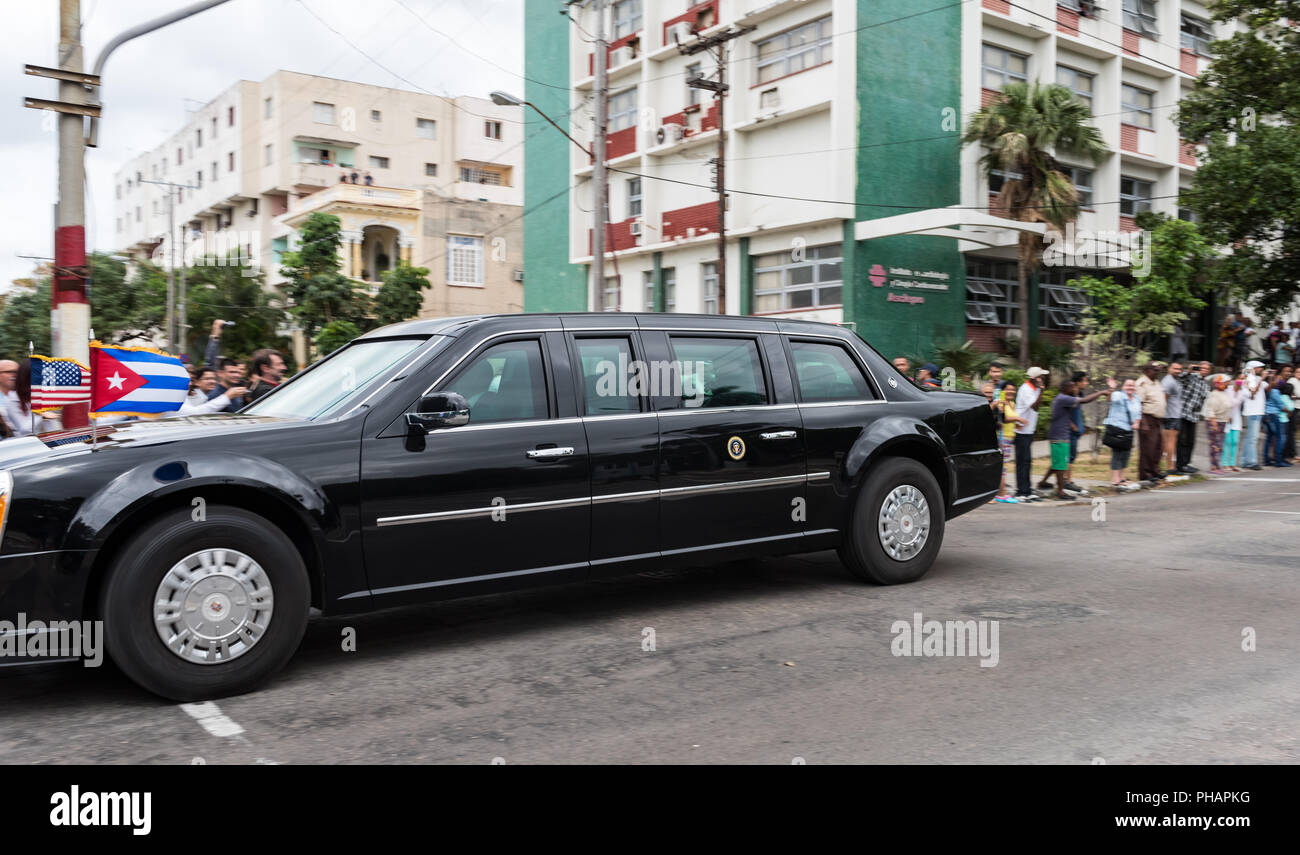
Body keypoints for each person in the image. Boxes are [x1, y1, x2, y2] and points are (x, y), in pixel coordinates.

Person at [1043, 378, 1110, 498]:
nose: (1075, 389)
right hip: (1059, 437)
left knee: (1057, 463)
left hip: (1060, 435)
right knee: (1060, 466)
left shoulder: (1062, 398)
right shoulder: (1063, 398)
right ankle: (1060, 492)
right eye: (1072, 387)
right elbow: (1084, 400)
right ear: (1065, 389)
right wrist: (1101, 392)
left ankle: (1043, 482)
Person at [1013, 367, 1047, 501]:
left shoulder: (1035, 388)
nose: (1043, 379)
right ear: (1034, 378)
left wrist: (1040, 390)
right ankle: (1021, 492)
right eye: (1041, 376)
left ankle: (1027, 490)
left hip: (1028, 430)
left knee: (1027, 461)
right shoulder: (1026, 389)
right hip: (1021, 430)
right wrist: (1042, 390)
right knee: (1022, 461)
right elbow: (1035, 407)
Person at [4, 359, 61, 437]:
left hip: (52, 440)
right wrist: (42, 415)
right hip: (29, 442)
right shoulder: (13, 399)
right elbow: (25, 430)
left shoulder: (42, 396)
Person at [989, 383, 1025, 503]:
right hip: (1001, 437)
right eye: (1008, 389)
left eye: (1013, 389)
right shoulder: (1001, 403)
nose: (1011, 391)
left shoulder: (1012, 404)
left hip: (1009, 438)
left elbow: (1010, 420)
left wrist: (1017, 425)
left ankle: (1000, 493)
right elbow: (1003, 418)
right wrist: (1018, 419)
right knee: (1002, 467)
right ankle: (1001, 494)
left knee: (1004, 466)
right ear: (1003, 391)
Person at [1104, 378, 1142, 486]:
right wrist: (1111, 388)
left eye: (1132, 385)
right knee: (1117, 453)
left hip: (1129, 430)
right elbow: (1110, 399)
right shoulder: (1119, 395)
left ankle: (1122, 477)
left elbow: (1138, 414)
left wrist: (1137, 423)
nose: (1130, 387)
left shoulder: (1136, 399)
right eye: (1128, 385)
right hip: (1117, 428)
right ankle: (1115, 479)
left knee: (1126, 454)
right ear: (1123, 387)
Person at [1174, 361, 1210, 474]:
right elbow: (1180, 379)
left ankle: (1186, 463)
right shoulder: (1191, 377)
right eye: (1202, 368)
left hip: (1194, 416)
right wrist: (1188, 371)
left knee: (1191, 441)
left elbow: (1202, 401)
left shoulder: (1206, 385)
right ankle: (1180, 465)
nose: (1204, 370)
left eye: (1206, 369)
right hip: (1183, 413)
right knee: (1182, 440)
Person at [1134, 361, 1167, 484]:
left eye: (1158, 370)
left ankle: (1155, 471)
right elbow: (1138, 404)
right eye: (1155, 370)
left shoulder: (1156, 382)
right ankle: (1145, 474)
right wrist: (1143, 423)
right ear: (1146, 371)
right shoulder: (1142, 383)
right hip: (1147, 419)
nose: (1157, 372)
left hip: (1157, 419)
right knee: (1148, 448)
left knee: (1158, 447)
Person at [178, 368, 248, 416]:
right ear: (197, 382)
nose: (212, 381)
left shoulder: (205, 396)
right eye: (207, 379)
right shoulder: (180, 398)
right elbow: (196, 413)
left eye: (214, 379)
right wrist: (227, 396)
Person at [1203, 375, 1233, 474]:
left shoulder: (1224, 393)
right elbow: (1210, 409)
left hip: (1222, 421)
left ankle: (1217, 465)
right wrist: (1213, 422)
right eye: (1226, 382)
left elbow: (1226, 406)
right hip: (1214, 422)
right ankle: (1214, 467)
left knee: (1220, 445)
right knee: (1214, 445)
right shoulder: (1214, 394)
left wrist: (1228, 417)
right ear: (1220, 383)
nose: (1228, 384)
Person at [1240, 360, 1268, 470]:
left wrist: (1271, 378)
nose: (1261, 369)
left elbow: (1269, 387)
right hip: (1252, 412)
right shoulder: (1247, 380)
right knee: (1252, 438)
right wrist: (1262, 379)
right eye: (1258, 367)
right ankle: (1251, 462)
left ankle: (1244, 461)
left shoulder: (1256, 379)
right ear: (1252, 368)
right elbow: (1252, 392)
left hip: (1258, 411)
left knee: (1249, 438)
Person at [1159, 361, 1184, 475]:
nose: (1178, 371)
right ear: (1169, 368)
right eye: (1175, 368)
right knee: (1171, 442)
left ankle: (1162, 465)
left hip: (1174, 415)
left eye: (1179, 369)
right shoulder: (1169, 381)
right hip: (1171, 415)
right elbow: (1163, 399)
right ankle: (1171, 467)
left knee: (1167, 442)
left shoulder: (1173, 380)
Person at [1262, 378, 1292, 467]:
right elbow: (1281, 406)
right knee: (1279, 438)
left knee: (1269, 438)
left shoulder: (1269, 390)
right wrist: (1289, 412)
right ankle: (1278, 461)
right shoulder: (1275, 392)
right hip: (1273, 416)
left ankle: (1266, 460)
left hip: (1267, 415)